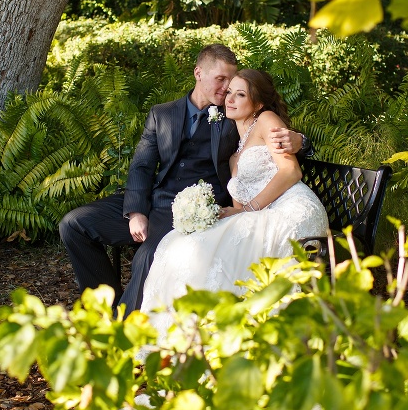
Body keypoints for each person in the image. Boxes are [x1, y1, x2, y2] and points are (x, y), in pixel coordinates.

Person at [59, 45, 311, 315]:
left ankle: (124, 325)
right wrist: (136, 212)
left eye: (232, 80)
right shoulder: (162, 114)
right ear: (198, 73)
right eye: (221, 79)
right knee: (74, 224)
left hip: (194, 211)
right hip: (155, 200)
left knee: (147, 256)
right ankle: (104, 309)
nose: (227, 89)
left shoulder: (233, 114)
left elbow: (268, 134)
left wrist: (301, 142)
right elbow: (142, 166)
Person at [139, 69, 328, 332]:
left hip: (292, 209)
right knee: (180, 243)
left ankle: (228, 328)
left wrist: (248, 209)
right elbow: (241, 200)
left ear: (258, 103)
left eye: (241, 94)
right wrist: (231, 211)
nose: (230, 99)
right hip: (260, 210)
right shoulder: (234, 138)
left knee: (216, 247)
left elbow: (291, 171)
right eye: (229, 92)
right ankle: (187, 329)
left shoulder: (266, 120)